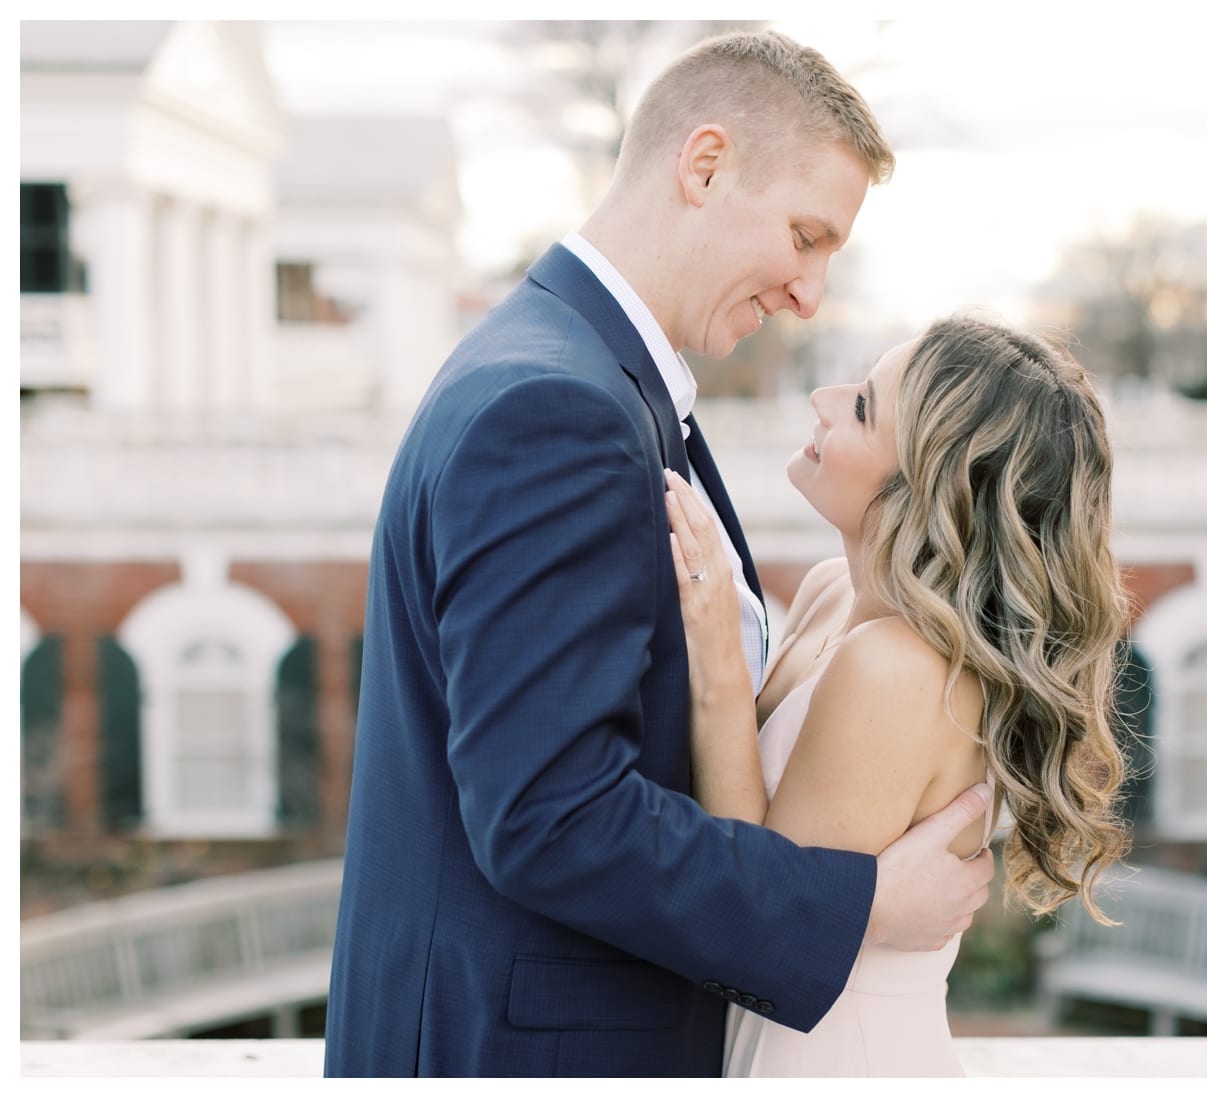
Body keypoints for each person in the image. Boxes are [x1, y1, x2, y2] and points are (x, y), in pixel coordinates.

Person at [323, 31, 997, 1079]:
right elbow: (550, 816)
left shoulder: (576, 374)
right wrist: (858, 905)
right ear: (705, 164)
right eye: (805, 235)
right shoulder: (559, 410)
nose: (810, 295)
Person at [664, 314, 1132, 1076]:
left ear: (929, 482)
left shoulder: (899, 667)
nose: (822, 396)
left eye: (861, 408)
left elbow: (760, 928)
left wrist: (718, 663)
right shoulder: (827, 592)